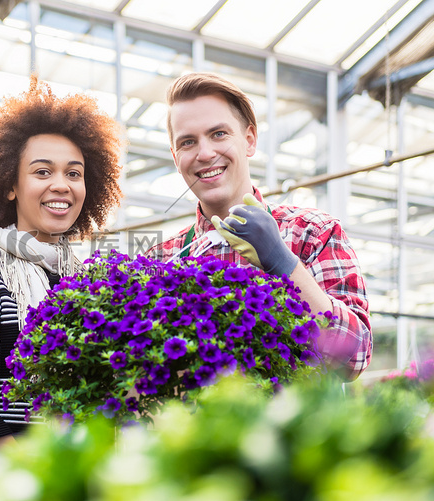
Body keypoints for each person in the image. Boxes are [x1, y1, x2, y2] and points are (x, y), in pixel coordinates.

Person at [146, 72, 372, 381]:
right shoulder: (161, 258)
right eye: (188, 142)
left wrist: (283, 263)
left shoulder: (312, 233)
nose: (205, 153)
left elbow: (353, 357)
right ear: (175, 157)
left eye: (218, 134)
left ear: (250, 140)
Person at [0, 77, 124, 455]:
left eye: (74, 173)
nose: (61, 185)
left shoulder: (91, 285)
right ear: (10, 185)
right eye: (42, 172)